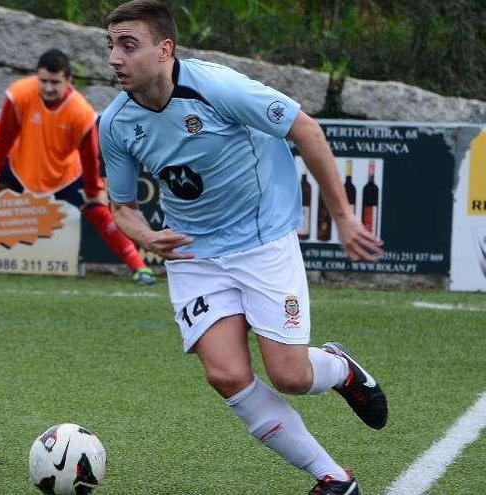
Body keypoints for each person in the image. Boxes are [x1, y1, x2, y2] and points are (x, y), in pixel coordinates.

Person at [99, 1, 387, 493]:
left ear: (164, 50)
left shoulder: (219, 88)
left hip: (262, 243)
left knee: (290, 376)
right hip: (194, 255)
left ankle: (340, 369)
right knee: (227, 375)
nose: (114, 59)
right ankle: (333, 478)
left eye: (128, 45)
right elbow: (120, 204)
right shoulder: (115, 123)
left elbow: (305, 129)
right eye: (110, 46)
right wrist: (146, 235)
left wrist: (341, 215)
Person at [0, 49, 155, 285]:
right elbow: (5, 136)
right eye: (44, 81)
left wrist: (94, 191)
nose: (48, 87)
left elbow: (90, 156)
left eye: (55, 82)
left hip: (64, 175)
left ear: (68, 81)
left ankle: (140, 268)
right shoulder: (18, 95)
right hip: (21, 166)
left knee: (99, 211)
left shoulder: (81, 112)